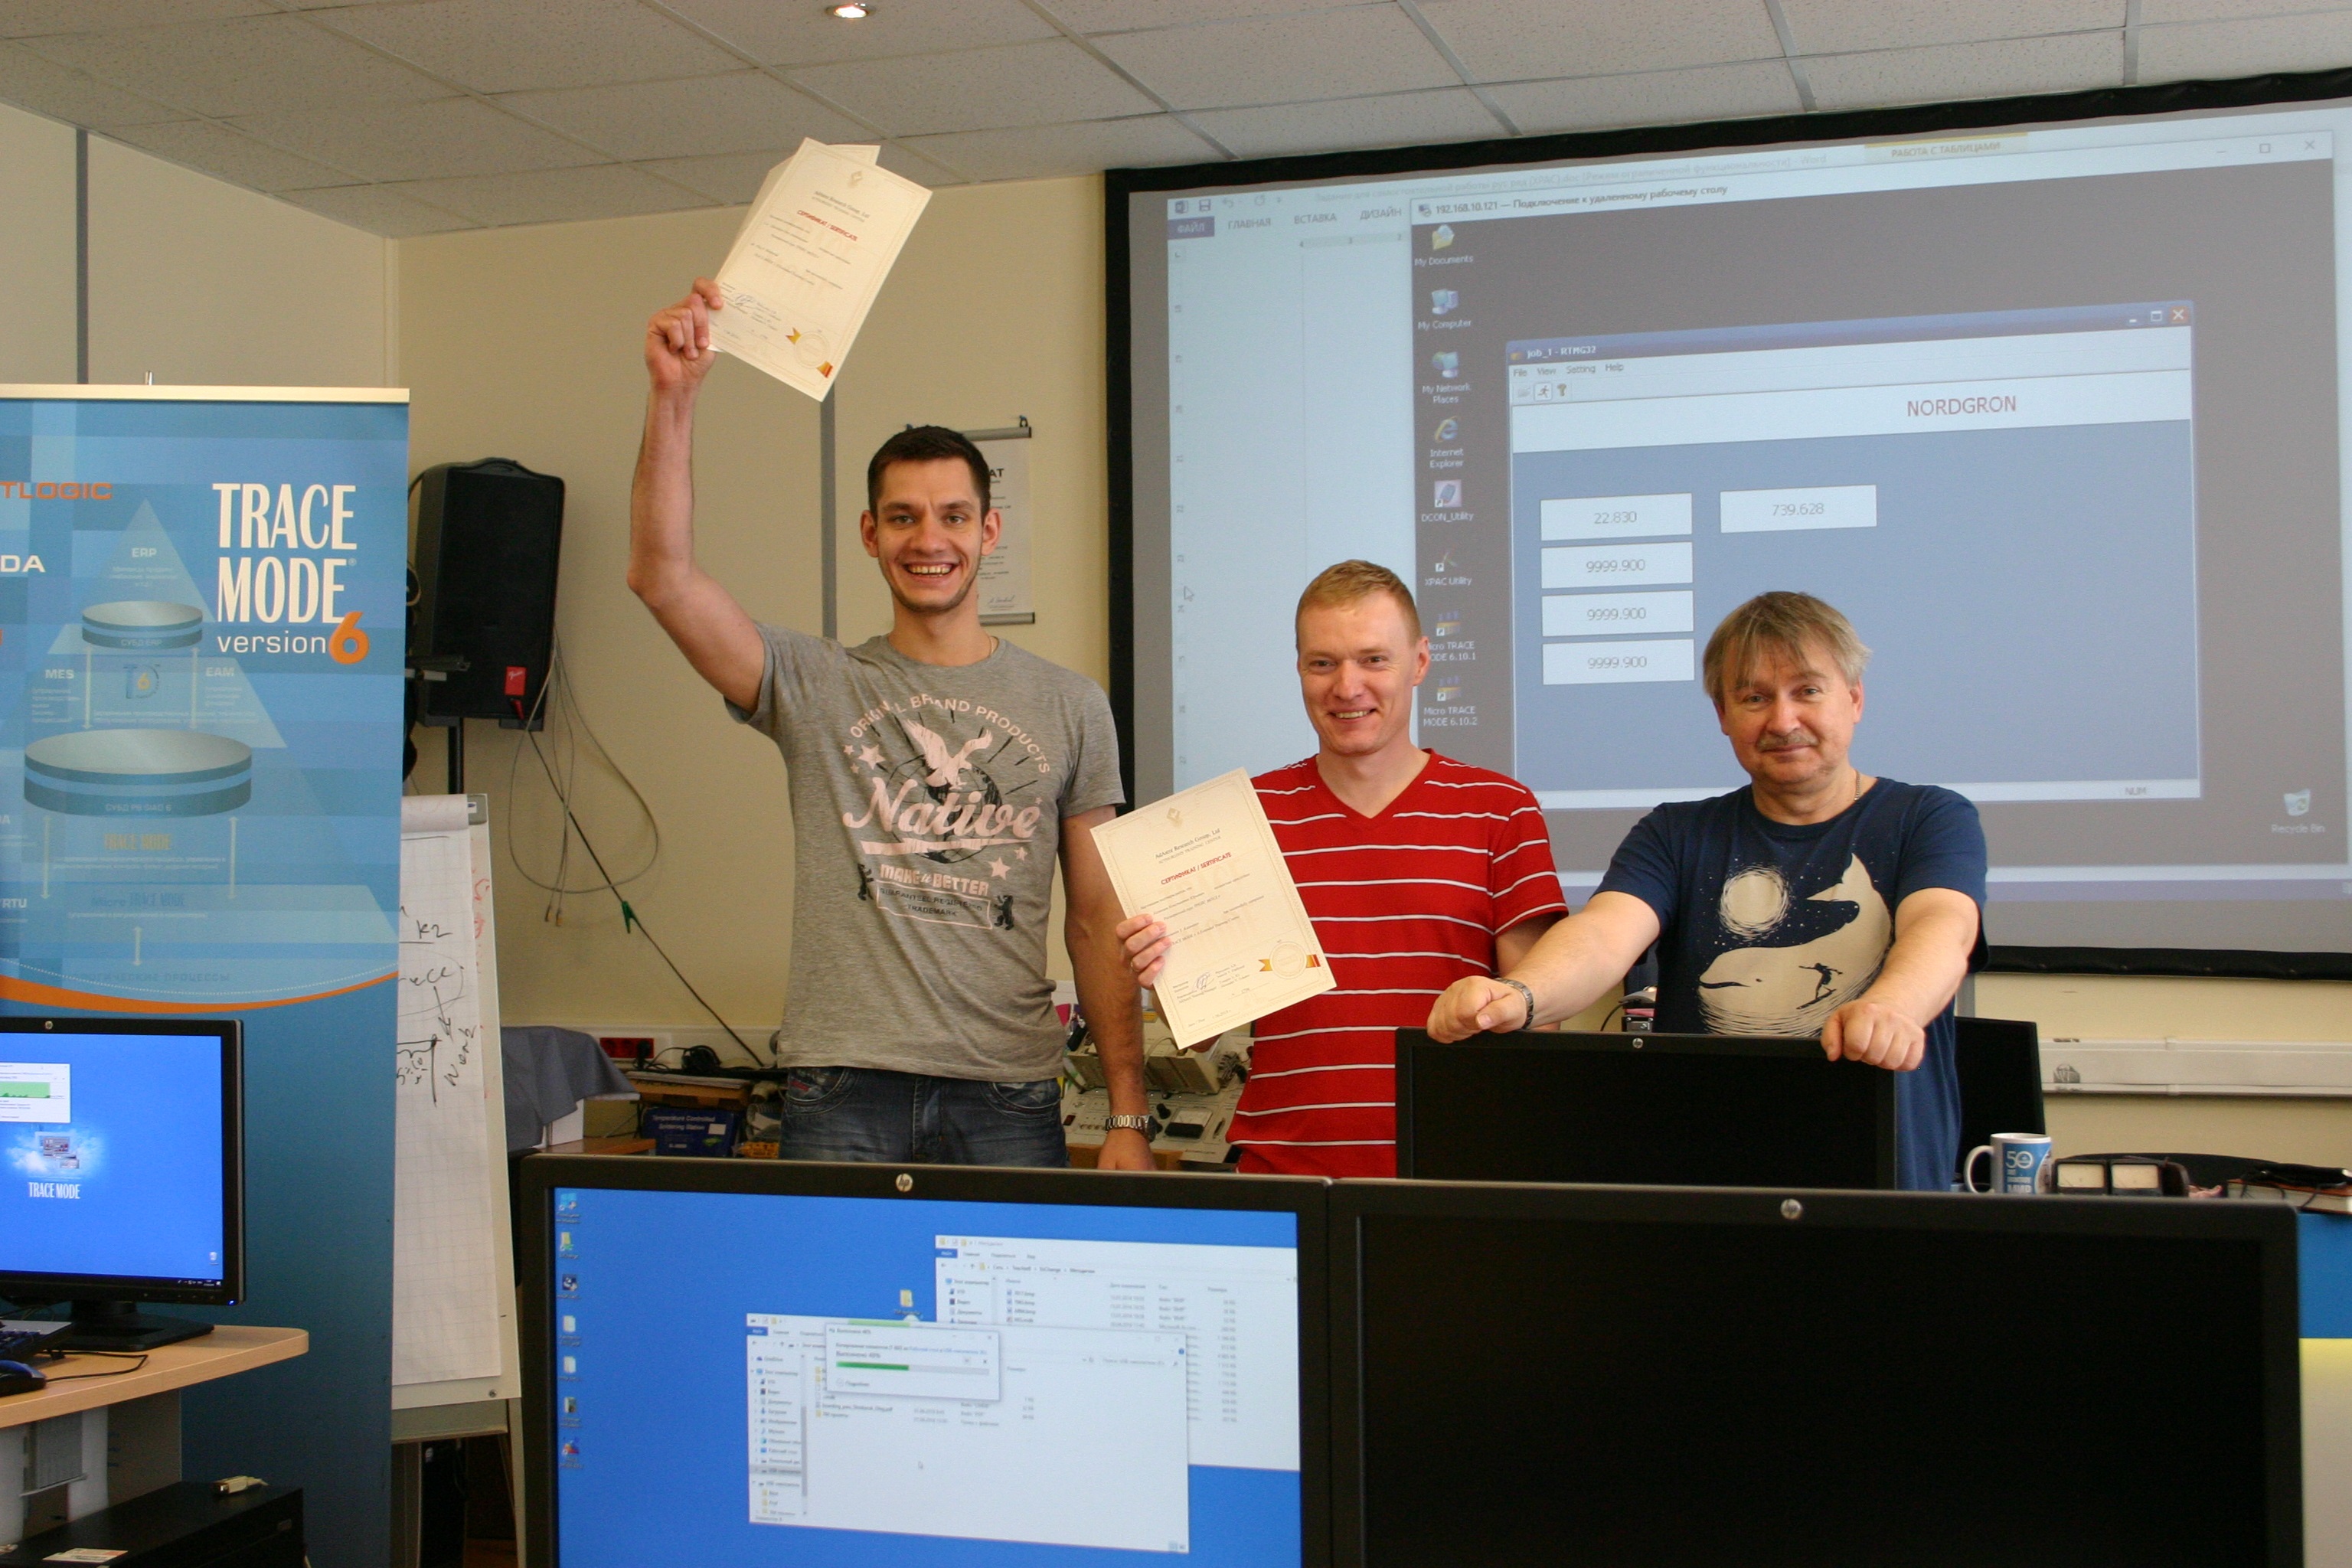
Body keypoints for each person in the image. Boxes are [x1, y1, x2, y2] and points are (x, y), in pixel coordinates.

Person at [628, 279, 1152, 1169]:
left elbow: (1099, 921)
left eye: (953, 516)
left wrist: (1128, 1117)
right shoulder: (815, 682)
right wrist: (673, 396)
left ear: (989, 531)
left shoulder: (1071, 703)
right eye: (903, 517)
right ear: (871, 534)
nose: (928, 539)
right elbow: (661, 576)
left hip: (1007, 1091)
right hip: (843, 1086)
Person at [1426, 591, 1986, 1191]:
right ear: (1723, 714)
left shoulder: (1929, 818)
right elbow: (1603, 935)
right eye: (1754, 698)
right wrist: (1519, 994)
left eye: (1807, 691)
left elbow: (1943, 929)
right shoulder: (1675, 833)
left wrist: (1893, 1009)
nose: (1783, 721)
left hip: (1882, 1186)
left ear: (1854, 699)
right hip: (1711, 1192)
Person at [1119, 560, 1565, 1177]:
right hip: (1285, 1176)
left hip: (1456, 1172)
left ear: (1420, 662)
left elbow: (1541, 1016)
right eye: (1323, 663)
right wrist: (1163, 977)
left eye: (1374, 660)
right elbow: (1197, 1034)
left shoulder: (1500, 809)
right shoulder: (1242, 818)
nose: (1347, 687)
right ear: (1300, 669)